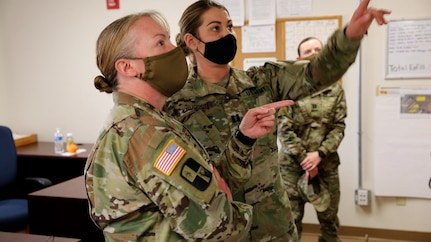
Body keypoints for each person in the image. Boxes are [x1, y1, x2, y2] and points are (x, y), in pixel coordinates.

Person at [164, 0, 390, 241]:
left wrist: (349, 36)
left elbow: (316, 72)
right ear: (192, 41)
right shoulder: (175, 103)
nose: (228, 34)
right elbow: (171, 172)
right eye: (216, 28)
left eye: (229, 26)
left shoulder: (262, 81)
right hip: (219, 225)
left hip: (272, 221)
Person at [84, 10, 294, 242]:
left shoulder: (146, 121)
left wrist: (243, 138)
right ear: (127, 67)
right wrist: (229, 205)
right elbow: (219, 229)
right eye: (160, 42)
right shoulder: (147, 134)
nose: (174, 49)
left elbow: (206, 185)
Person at [277, 36, 347, 242]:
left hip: (326, 165)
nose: (315, 53)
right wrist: (305, 160)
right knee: (290, 222)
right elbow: (283, 127)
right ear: (299, 58)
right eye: (308, 51)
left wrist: (319, 155)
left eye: (318, 48)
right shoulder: (289, 89)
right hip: (291, 167)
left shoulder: (335, 89)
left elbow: (338, 126)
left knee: (330, 221)